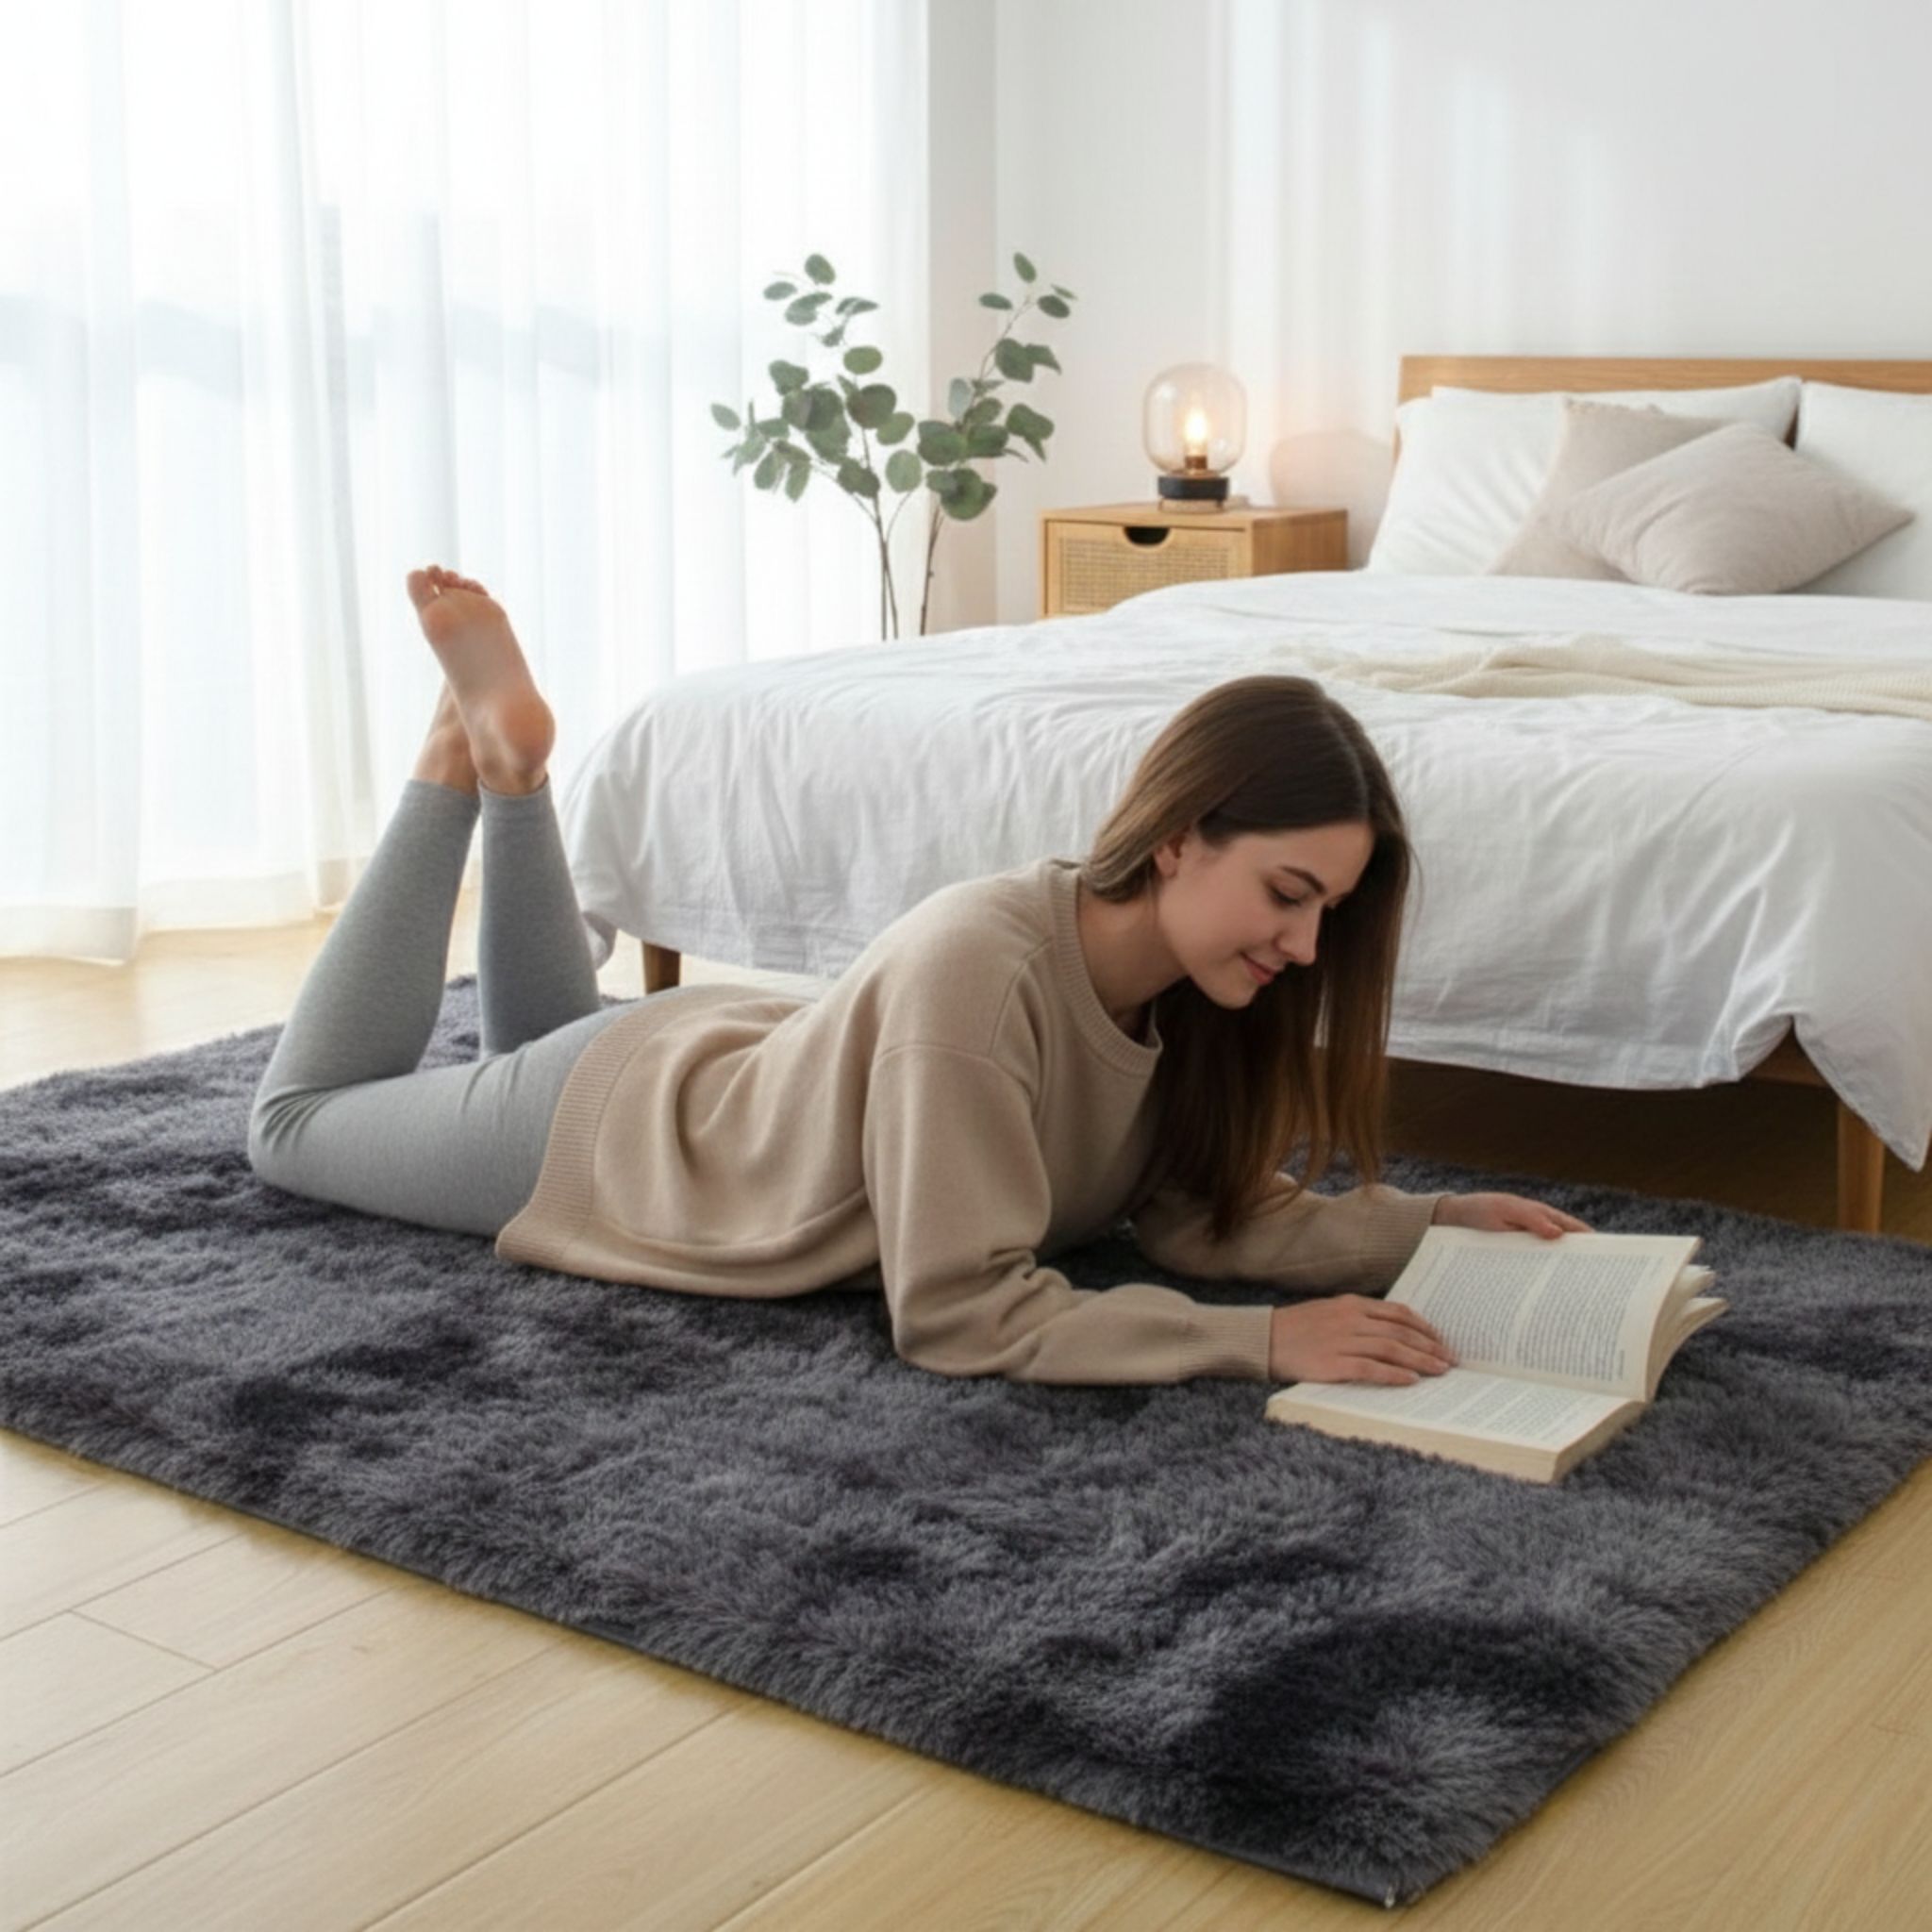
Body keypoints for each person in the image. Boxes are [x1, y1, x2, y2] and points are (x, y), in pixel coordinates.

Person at [248, 565, 1590, 1389]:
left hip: (716, 1068)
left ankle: (517, 775)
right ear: (1181, 836)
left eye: (1328, 915)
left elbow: (1193, 1225)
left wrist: (1423, 1224)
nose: (1304, 949)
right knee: (296, 1129)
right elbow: (956, 1313)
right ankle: (455, 776)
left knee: (529, 1041)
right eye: (1289, 897)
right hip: (635, 1144)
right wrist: (1259, 1344)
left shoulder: (1192, 996)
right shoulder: (986, 969)